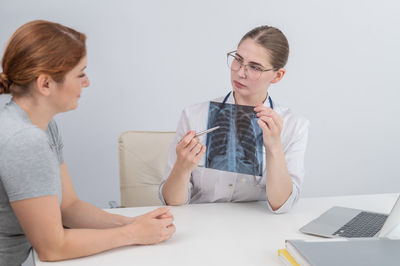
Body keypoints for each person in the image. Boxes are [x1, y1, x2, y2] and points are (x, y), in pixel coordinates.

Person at [0, 20, 175, 265]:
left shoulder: (43, 125)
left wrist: (133, 222)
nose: (87, 82)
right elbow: (53, 248)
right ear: (45, 84)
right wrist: (133, 234)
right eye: (80, 73)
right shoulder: (24, 140)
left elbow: (69, 207)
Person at [159, 25, 309, 213]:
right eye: (238, 60)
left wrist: (274, 147)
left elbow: (281, 205)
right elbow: (172, 203)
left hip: (258, 229)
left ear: (277, 76)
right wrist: (181, 167)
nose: (240, 72)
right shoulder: (194, 116)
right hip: (201, 226)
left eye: (255, 67)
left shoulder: (294, 126)